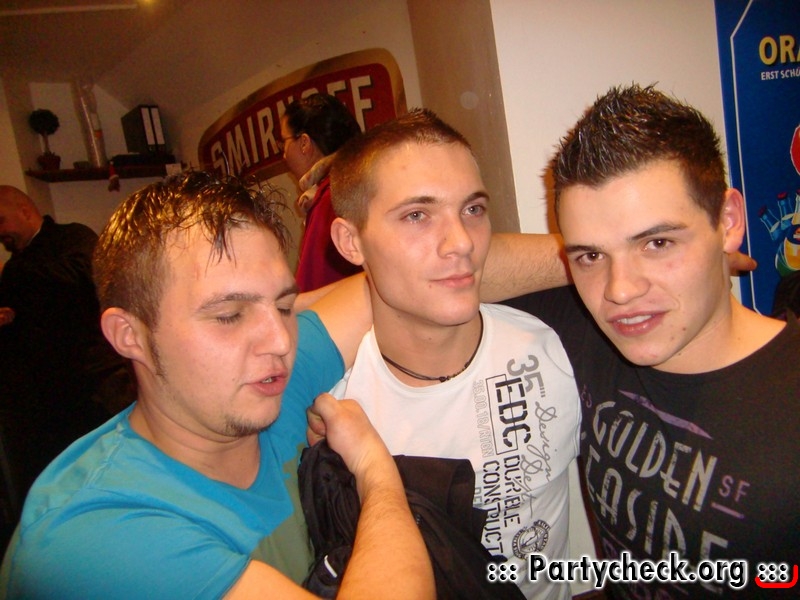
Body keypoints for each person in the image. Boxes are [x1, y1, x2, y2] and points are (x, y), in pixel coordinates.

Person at [0, 171, 434, 599]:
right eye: (229, 316)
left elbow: (398, 286)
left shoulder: (263, 385)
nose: (281, 342)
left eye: (283, 307)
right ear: (131, 336)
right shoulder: (93, 533)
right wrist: (374, 468)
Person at [505, 84, 800, 598]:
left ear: (728, 221)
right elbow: (440, 271)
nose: (619, 291)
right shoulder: (590, 330)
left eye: (658, 242)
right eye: (590, 256)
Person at [327, 109, 581, 599]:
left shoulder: (555, 347)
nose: (462, 242)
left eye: (473, 209)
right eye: (417, 215)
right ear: (350, 241)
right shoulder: (336, 408)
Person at [0, 186, 132, 537]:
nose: (1, 234)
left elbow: (84, 278)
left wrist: (16, 274)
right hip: (45, 404)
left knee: (110, 476)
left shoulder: (72, 238)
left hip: (95, 388)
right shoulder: (15, 269)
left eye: (1, 221)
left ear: (24, 210)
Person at [280, 93, 363, 291]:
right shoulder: (351, 186)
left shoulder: (329, 199)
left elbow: (322, 289)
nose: (284, 154)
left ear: (304, 143)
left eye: (284, 141)